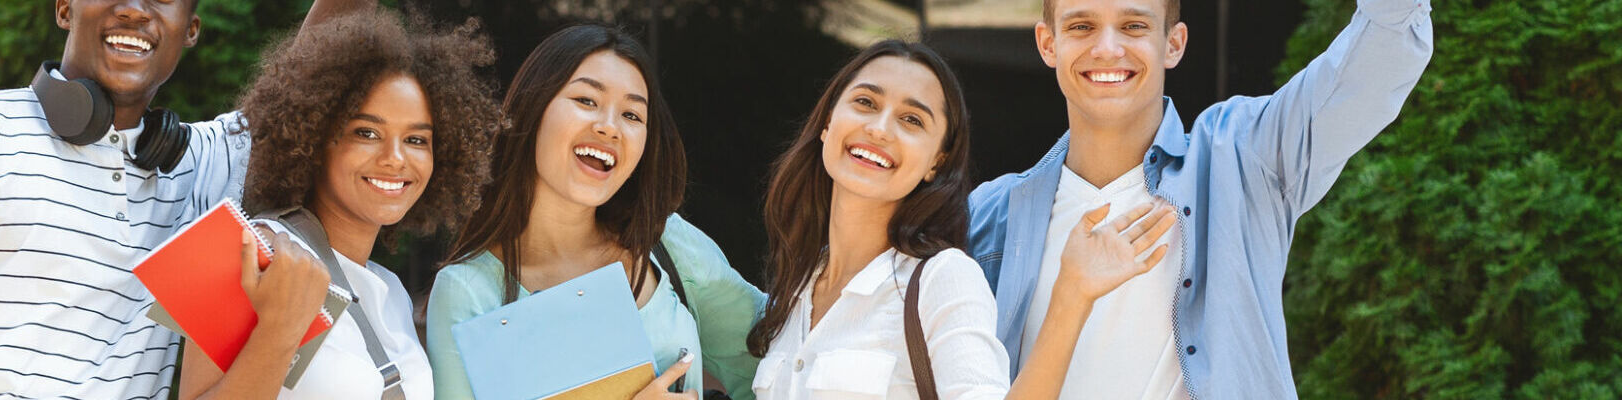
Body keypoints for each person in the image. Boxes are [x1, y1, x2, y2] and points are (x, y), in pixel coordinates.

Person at [0, 0, 371, 397]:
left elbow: (315, 65)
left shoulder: (199, 166)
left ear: (189, 29)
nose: (134, 9)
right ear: (65, 10)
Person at [965, 0, 1434, 398]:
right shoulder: (990, 216)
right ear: (1049, 43)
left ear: (1174, 43)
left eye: (1134, 26)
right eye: (1081, 26)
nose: (1107, 48)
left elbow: (1384, 46)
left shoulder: (1244, 158)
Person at [746, 39, 1178, 400]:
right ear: (827, 123)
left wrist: (1072, 295)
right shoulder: (793, 293)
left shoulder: (941, 279)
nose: (879, 128)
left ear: (938, 161)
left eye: (911, 119)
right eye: (864, 102)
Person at [172, 9, 504, 399]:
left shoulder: (390, 291)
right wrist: (280, 328)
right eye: (367, 132)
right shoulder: (250, 253)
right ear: (313, 138)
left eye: (417, 140)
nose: (396, 157)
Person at [426, 24, 767, 400]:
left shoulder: (666, 243)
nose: (609, 127)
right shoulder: (468, 291)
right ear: (532, 109)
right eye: (587, 100)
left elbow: (783, 360)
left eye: (632, 115)